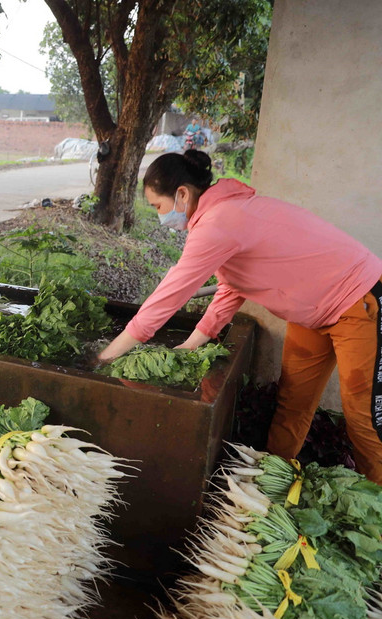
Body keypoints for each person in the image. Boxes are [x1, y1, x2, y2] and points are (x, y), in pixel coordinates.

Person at [97, 150, 382, 484]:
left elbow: (167, 298)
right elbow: (231, 288)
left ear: (182, 194)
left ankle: (375, 503)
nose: (160, 215)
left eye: (158, 206)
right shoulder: (221, 215)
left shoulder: (221, 220)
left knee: (362, 418)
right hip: (314, 314)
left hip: (359, 302)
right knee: (293, 402)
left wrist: (105, 357)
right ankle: (272, 481)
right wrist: (189, 346)